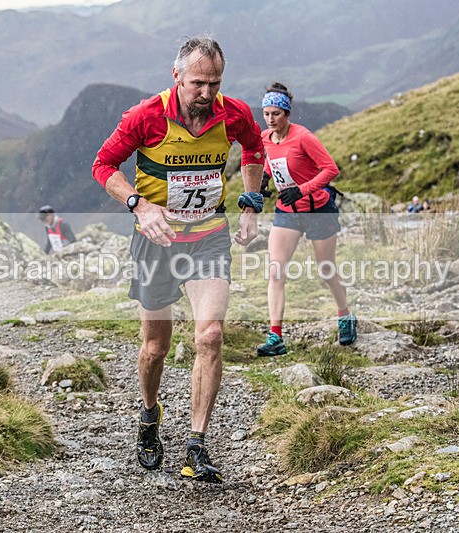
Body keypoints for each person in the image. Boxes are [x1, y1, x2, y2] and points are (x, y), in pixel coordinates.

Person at [91, 36, 264, 484]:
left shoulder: (235, 112)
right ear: (176, 77)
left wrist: (249, 204)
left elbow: (254, 147)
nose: (207, 94)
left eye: (215, 83)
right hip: (157, 242)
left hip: (208, 238)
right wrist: (139, 205)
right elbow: (103, 166)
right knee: (155, 348)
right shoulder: (145, 116)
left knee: (209, 335)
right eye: (198, 83)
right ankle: (149, 415)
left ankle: (196, 445)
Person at [255, 82, 357, 357]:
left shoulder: (303, 137)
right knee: (276, 271)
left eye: (276, 113)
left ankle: (345, 314)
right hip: (287, 212)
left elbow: (330, 169)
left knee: (326, 270)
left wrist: (301, 190)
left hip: (318, 211)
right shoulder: (266, 138)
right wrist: (264, 179)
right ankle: (275, 336)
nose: (270, 119)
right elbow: (271, 160)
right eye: (266, 113)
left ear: (287, 113)